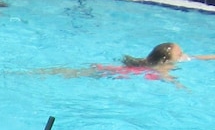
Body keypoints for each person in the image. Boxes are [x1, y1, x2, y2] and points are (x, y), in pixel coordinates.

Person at [32, 42, 215, 84]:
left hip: (120, 71)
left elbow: (198, 57)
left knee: (77, 72)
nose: (183, 55)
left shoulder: (160, 60)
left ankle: (45, 72)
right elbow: (165, 76)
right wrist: (180, 86)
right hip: (118, 73)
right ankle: (40, 73)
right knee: (76, 74)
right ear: (167, 59)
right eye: (180, 53)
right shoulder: (162, 66)